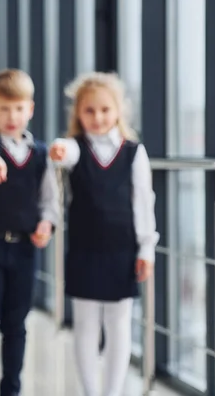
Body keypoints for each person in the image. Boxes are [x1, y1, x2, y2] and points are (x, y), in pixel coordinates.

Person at [49, 71, 159, 396]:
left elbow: (144, 202)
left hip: (123, 250)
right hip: (84, 249)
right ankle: (90, 392)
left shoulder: (134, 153)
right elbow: (62, 151)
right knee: (84, 325)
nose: (98, 117)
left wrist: (146, 249)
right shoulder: (76, 149)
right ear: (78, 114)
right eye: (89, 111)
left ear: (118, 112)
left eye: (105, 110)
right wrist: (57, 150)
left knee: (119, 325)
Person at [0, 68, 60, 396]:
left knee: (17, 325)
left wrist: (46, 224)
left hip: (24, 251)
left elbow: (49, 200)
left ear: (30, 110)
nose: (12, 116)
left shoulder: (40, 154)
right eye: (4, 108)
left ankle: (11, 390)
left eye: (19, 108)